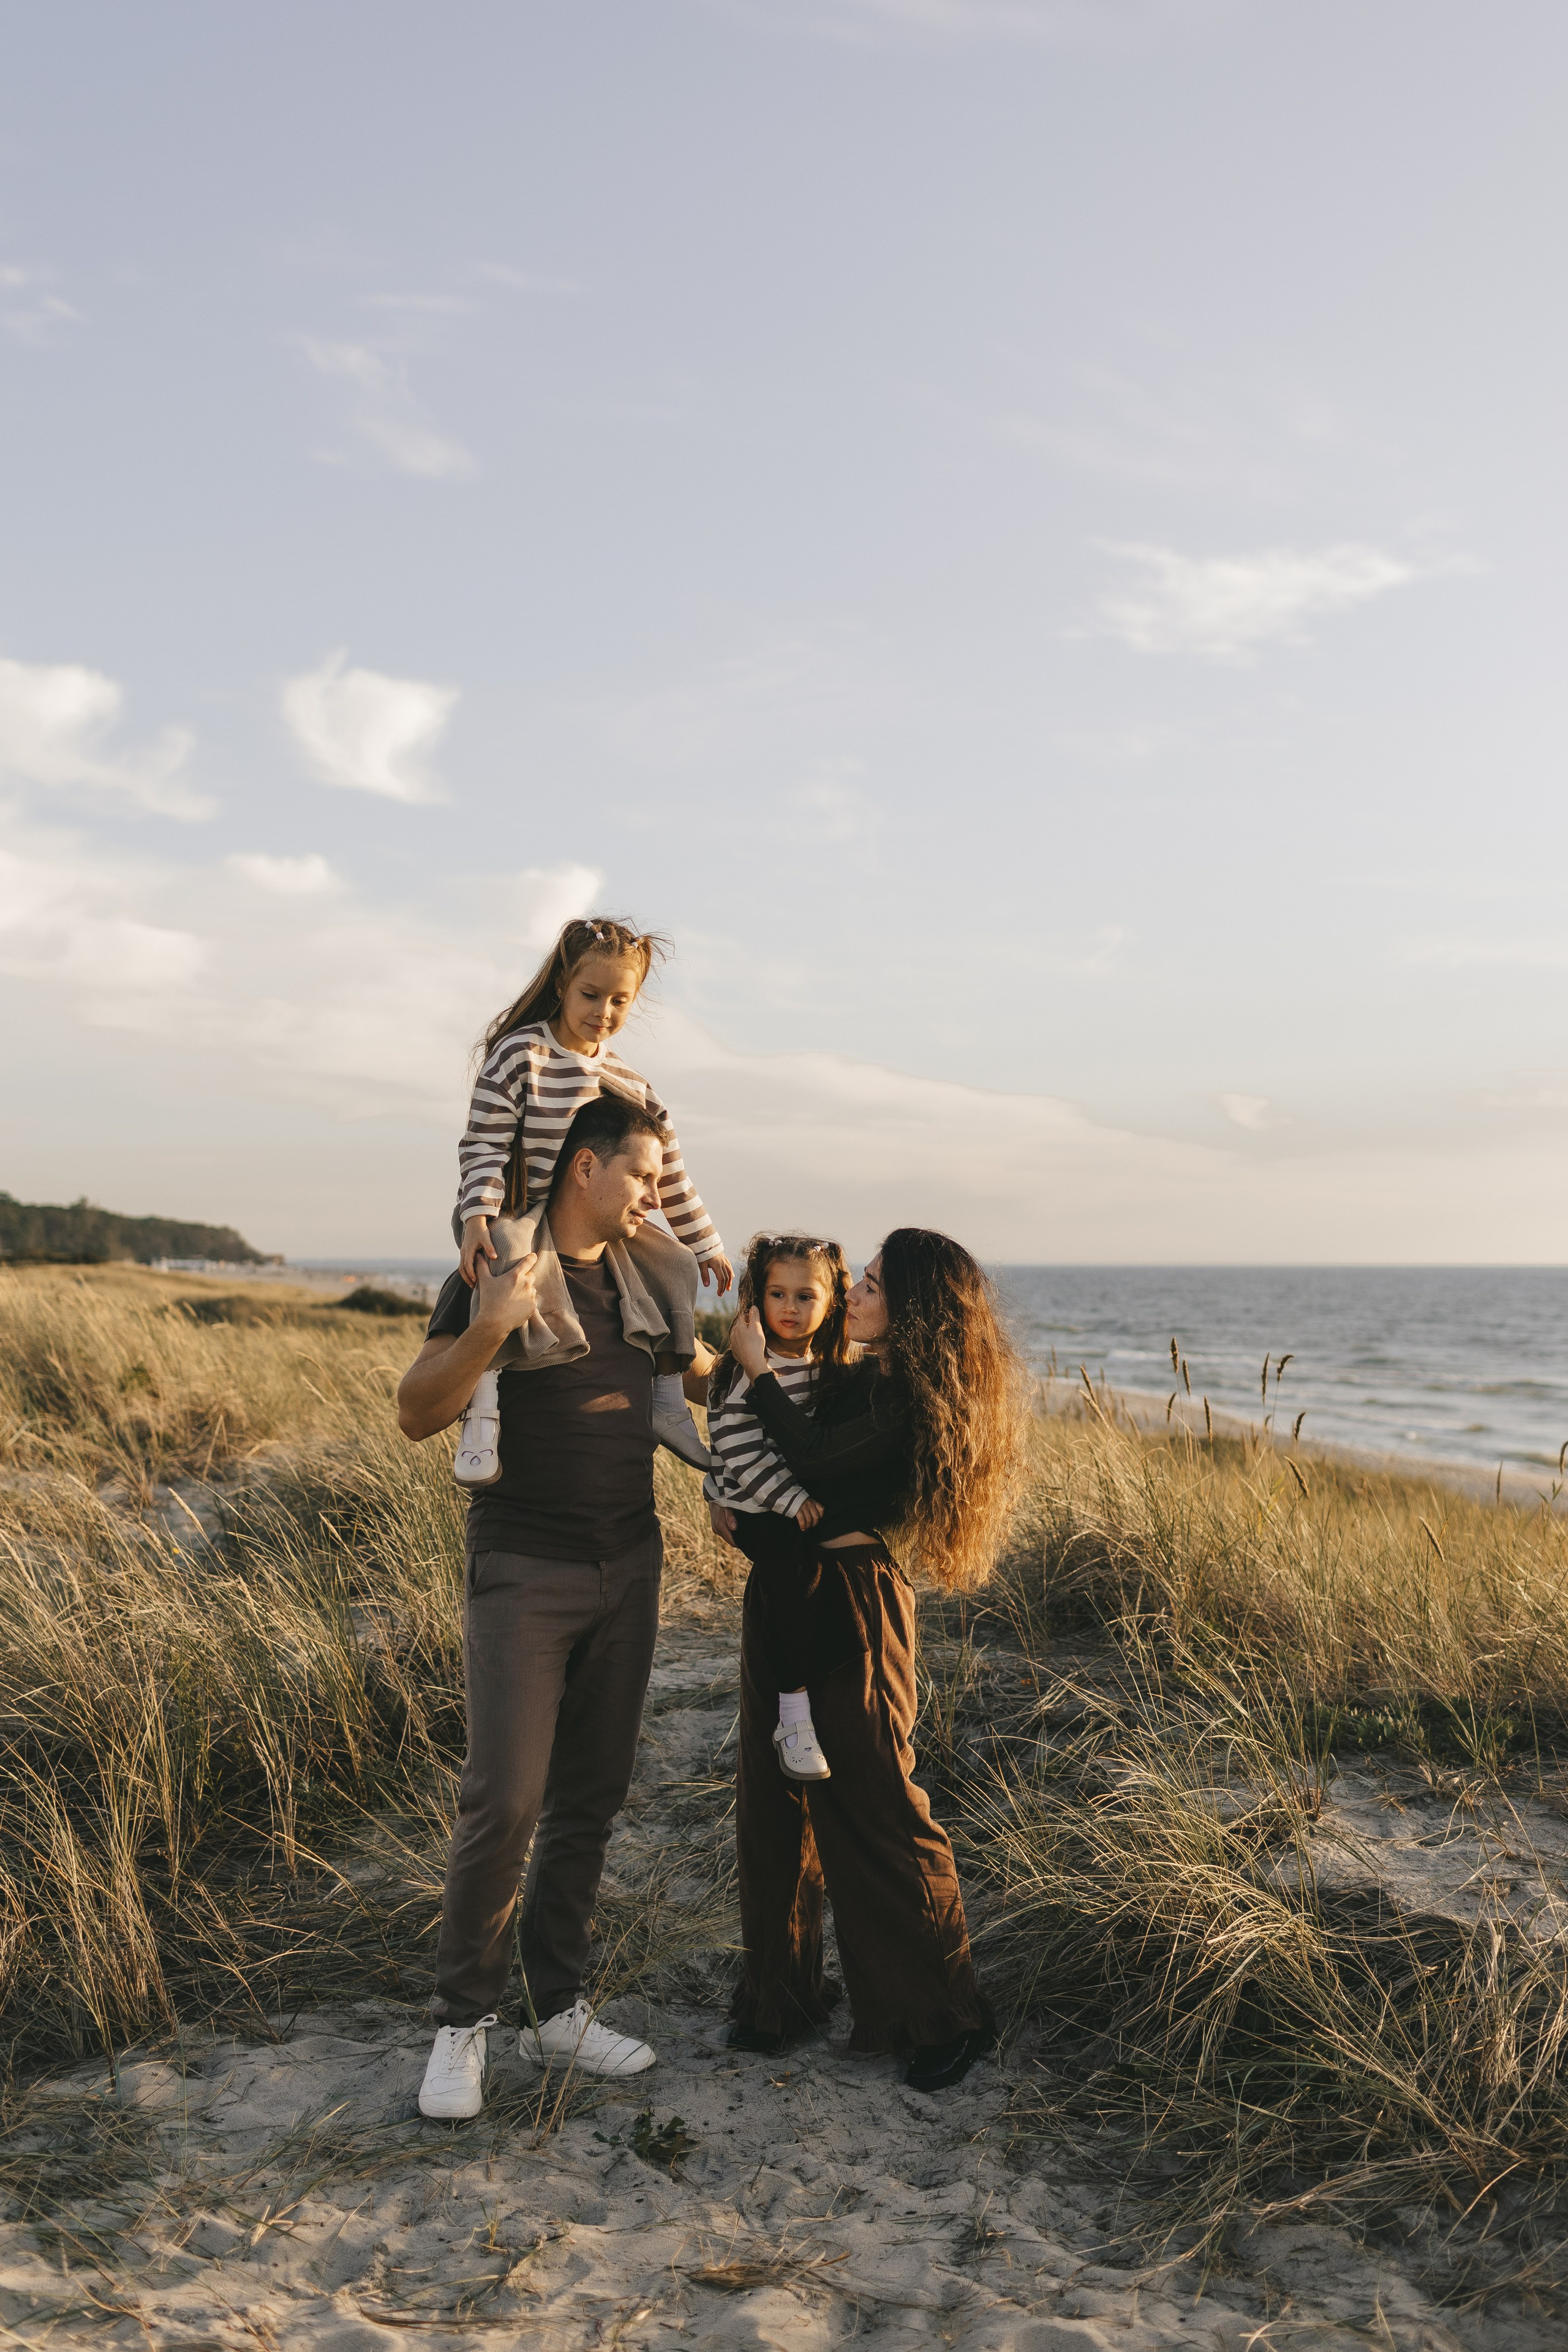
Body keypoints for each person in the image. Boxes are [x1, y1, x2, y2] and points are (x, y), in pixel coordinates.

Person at [397, 1091, 715, 2120]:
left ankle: (555, 2006)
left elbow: (683, 1390)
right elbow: (416, 1410)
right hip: (524, 1569)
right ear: (585, 1167)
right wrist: (489, 1330)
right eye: (641, 1174)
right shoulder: (500, 1269)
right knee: (507, 1796)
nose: (652, 1195)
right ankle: (462, 2022)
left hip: (631, 1563)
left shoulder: (650, 1275)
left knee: (592, 1792)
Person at [717, 1228, 1027, 2094]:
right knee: (773, 1797)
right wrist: (720, 1496)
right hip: (785, 1591)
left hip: (854, 1605)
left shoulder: (907, 1397)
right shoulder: (854, 1377)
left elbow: (809, 1460)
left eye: (877, 1286)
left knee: (880, 1805)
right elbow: (761, 1454)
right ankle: (781, 1997)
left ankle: (944, 2013)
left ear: (918, 1312)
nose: (855, 1292)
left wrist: (755, 1368)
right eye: (861, 1283)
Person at [450, 916, 734, 1485]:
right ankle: (482, 1413)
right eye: (591, 994)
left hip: (598, 1223)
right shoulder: (520, 1055)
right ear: (561, 984)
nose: (603, 1011)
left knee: (673, 1265)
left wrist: (705, 1245)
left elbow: (670, 1175)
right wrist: (477, 1216)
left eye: (619, 1000)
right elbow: (483, 1141)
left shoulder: (633, 1085)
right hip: (524, 1211)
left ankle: (668, 1401)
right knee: (501, 1254)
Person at [703, 1232, 854, 1784]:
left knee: (823, 1588)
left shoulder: (824, 1363)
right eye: (777, 1294)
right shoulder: (750, 1364)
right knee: (791, 1582)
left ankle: (821, 1687)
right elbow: (736, 1446)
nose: (789, 1308)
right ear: (756, 1298)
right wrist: (787, 1501)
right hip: (758, 1507)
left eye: (805, 1296)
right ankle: (792, 1716)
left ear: (831, 1301)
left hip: (791, 1503)